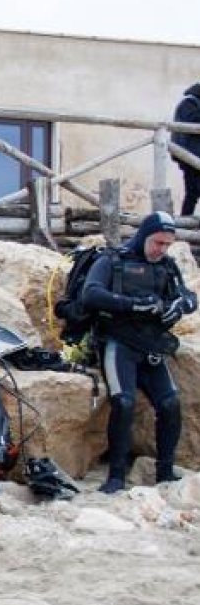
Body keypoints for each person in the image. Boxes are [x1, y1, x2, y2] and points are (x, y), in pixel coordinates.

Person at [82, 210, 197, 494]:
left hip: (152, 346)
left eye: (167, 245)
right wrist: (132, 304)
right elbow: (90, 294)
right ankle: (116, 476)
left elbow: (189, 296)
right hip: (118, 343)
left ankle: (165, 472)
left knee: (170, 404)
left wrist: (179, 306)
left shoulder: (167, 266)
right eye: (158, 242)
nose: (162, 250)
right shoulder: (112, 261)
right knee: (124, 402)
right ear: (145, 236)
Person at [171, 83, 200, 216]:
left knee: (192, 193)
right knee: (192, 193)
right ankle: (185, 222)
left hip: (193, 155)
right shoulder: (189, 104)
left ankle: (186, 221)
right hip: (189, 155)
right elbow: (192, 122)